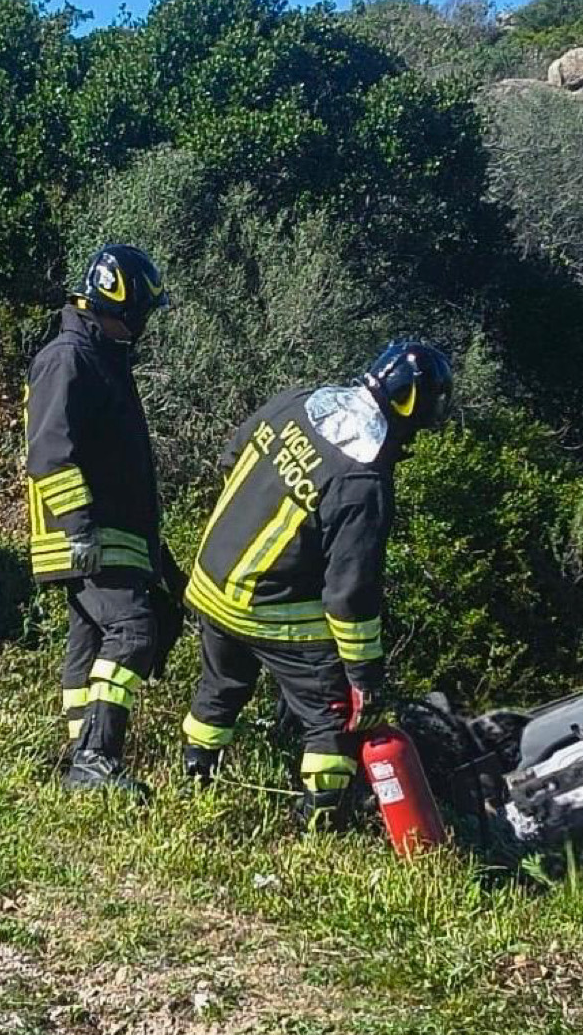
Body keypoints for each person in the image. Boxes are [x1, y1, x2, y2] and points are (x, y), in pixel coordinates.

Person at [178, 341, 454, 827]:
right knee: (333, 720)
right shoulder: (363, 480)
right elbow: (349, 595)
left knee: (219, 689)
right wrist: (364, 679)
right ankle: (321, 828)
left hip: (209, 579)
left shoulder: (299, 403)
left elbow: (232, 456)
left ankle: (194, 789)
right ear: (410, 412)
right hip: (262, 605)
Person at [25, 244, 183, 798]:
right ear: (120, 302)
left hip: (117, 538)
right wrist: (78, 527)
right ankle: (95, 758)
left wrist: (160, 558)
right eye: (140, 312)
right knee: (135, 632)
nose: (142, 326)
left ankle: (79, 762)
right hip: (90, 538)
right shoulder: (70, 357)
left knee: (88, 645)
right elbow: (49, 451)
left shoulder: (101, 357)